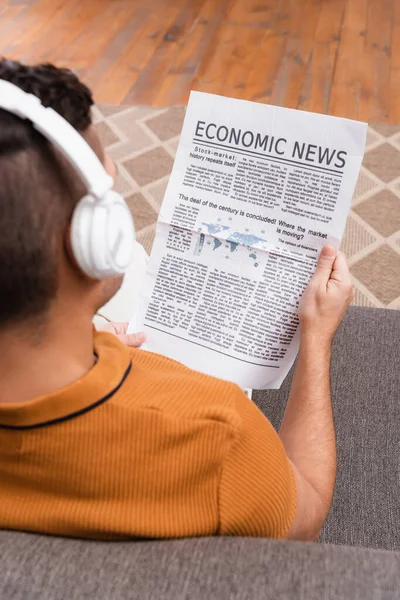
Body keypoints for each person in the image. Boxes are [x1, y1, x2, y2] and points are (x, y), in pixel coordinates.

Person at [0, 60, 354, 541]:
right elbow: (305, 516)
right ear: (92, 241)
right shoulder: (216, 432)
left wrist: (89, 339)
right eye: (108, 192)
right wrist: (316, 338)